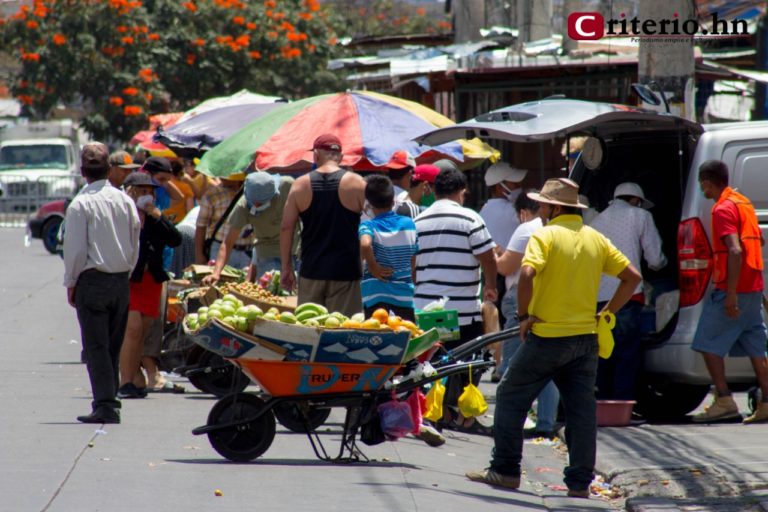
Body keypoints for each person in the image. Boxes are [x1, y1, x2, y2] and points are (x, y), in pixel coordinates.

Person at [467, 178, 641, 498]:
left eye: (544, 205)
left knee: (509, 395)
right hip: (585, 338)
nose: (540, 210)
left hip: (547, 336)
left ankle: (505, 469)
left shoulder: (544, 235)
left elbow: (528, 275)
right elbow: (633, 277)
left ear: (555, 208)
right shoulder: (595, 239)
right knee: (580, 411)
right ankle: (579, 483)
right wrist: (605, 312)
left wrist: (522, 317)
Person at [414, 163, 497, 434]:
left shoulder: (419, 220)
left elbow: (412, 265)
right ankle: (465, 417)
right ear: (461, 192)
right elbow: (487, 256)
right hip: (462, 311)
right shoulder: (470, 219)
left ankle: (432, 412)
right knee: (469, 364)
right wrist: (491, 285)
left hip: (426, 309)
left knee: (429, 363)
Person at [63, 142, 141, 424]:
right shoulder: (124, 201)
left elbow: (75, 251)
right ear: (109, 170)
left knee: (96, 347)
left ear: (83, 172)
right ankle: (109, 401)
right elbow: (135, 244)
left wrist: (71, 282)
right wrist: (124, 274)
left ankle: (106, 404)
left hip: (93, 281)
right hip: (120, 281)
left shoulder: (80, 204)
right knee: (112, 346)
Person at [691, 160, 768, 424]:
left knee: (706, 343)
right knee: (757, 349)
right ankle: (767, 403)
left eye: (703, 184)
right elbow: (759, 238)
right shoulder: (742, 202)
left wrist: (732, 294)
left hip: (732, 289)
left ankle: (724, 400)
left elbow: (735, 250)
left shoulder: (722, 209)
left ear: (707, 182)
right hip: (754, 287)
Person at [590, 182, 667, 400]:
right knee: (627, 352)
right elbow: (655, 258)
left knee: (604, 352)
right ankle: (623, 402)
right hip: (628, 295)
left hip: (599, 298)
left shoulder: (596, 221)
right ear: (636, 201)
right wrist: (663, 265)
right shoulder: (641, 216)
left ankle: (603, 402)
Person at [496, 189, 560, 439]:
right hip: (548, 300)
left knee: (511, 365)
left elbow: (508, 268)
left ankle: (509, 422)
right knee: (545, 366)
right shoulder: (561, 232)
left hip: (521, 298)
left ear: (524, 212)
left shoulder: (527, 229)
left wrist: (495, 254)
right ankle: (545, 421)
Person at [280, 134, 366, 316]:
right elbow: (371, 224)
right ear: (341, 157)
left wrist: (286, 268)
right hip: (346, 272)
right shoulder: (357, 183)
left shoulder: (300, 185)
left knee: (310, 329)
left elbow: (286, 227)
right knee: (343, 330)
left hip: (311, 271)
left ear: (316, 155)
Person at [117, 172, 182, 398]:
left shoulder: (155, 217)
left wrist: (156, 215)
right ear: (131, 192)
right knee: (132, 329)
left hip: (151, 280)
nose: (147, 195)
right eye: (142, 191)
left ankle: (133, 374)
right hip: (130, 280)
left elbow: (175, 239)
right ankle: (125, 381)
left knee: (142, 333)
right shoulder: (124, 213)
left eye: (150, 191)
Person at [203, 171, 296, 287]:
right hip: (268, 253)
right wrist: (216, 273)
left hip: (295, 250)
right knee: (271, 296)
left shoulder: (288, 185)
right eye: (254, 203)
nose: (256, 206)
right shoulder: (243, 206)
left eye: (261, 202)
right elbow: (227, 243)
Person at [479, 162, 528, 379]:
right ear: (500, 186)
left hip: (487, 272)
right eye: (513, 183)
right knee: (509, 323)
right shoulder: (512, 212)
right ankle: (504, 367)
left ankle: (498, 363)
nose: (519, 186)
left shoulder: (482, 210)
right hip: (510, 272)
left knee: (493, 320)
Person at [359, 174, 419, 321]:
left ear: (369, 204)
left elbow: (365, 244)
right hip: (404, 295)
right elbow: (413, 258)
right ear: (393, 201)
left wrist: (373, 266)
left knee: (377, 340)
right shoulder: (409, 224)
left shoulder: (368, 225)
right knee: (406, 337)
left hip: (375, 296)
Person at [194, 174, 253, 268]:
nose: (221, 177)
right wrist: (199, 256)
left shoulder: (253, 193)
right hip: (219, 250)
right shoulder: (212, 195)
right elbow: (201, 227)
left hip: (247, 252)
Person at [163, 159, 195, 224]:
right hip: (179, 223)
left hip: (162, 221)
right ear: (179, 173)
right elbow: (190, 210)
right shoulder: (186, 187)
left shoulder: (162, 185)